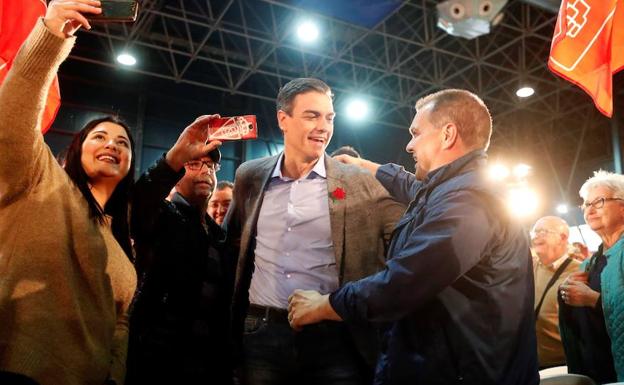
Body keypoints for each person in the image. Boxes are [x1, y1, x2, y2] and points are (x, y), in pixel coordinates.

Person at [288, 89, 539, 385]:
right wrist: (364, 167)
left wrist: (325, 305)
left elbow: (404, 281)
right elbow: (413, 188)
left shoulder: (469, 202)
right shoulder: (454, 189)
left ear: (447, 135)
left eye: (416, 133)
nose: (409, 145)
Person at [223, 77, 404, 385]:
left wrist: (380, 169)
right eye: (312, 115)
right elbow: (231, 246)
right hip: (260, 333)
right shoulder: (248, 176)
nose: (324, 126)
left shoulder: (361, 183)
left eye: (329, 117)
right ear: (283, 119)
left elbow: (423, 211)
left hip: (335, 339)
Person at [0, 2, 137, 384]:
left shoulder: (118, 232)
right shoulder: (40, 178)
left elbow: (120, 323)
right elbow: (15, 112)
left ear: (130, 163)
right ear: (76, 149)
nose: (112, 144)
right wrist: (52, 30)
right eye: (99, 136)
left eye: (123, 142)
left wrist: (115, 374)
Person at [126, 115, 234, 384]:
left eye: (210, 166)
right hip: (159, 359)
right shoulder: (163, 214)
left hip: (208, 361)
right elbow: (140, 202)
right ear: (176, 176)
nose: (204, 171)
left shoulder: (218, 234)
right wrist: (173, 158)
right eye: (194, 163)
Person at [558, 170, 624, 383]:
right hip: (596, 375)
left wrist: (592, 300)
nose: (590, 209)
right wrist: (566, 292)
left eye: (599, 201)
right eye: (586, 204)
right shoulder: (591, 262)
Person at [530, 216, 580, 368]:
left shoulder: (580, 271)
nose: (536, 236)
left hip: (564, 364)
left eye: (543, 231)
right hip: (533, 363)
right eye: (534, 232)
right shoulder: (529, 267)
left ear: (563, 237)